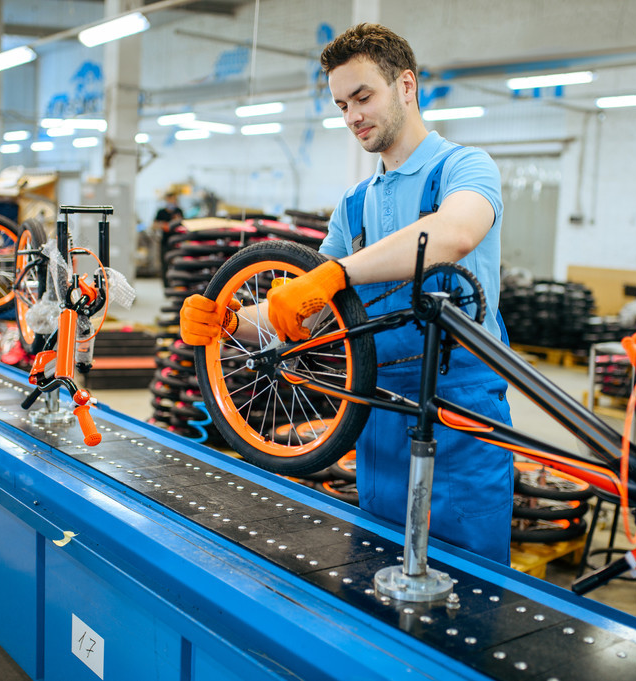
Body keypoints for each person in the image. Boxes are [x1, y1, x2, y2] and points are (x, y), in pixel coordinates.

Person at [180, 23, 513, 565]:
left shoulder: (464, 167)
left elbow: (453, 234)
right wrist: (232, 323)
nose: (353, 116)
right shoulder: (354, 206)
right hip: (374, 402)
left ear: (406, 86)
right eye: (341, 105)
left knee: (468, 574)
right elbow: (303, 310)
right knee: (378, 560)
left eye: (364, 96)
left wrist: (337, 275)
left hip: (460, 402)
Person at [152, 191, 184, 284]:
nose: (171, 201)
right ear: (166, 200)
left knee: (176, 263)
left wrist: (177, 221)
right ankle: (166, 285)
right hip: (165, 242)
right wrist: (163, 225)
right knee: (165, 264)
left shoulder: (178, 211)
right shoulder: (161, 212)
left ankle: (176, 284)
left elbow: (183, 224)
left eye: (173, 199)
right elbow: (154, 225)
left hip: (177, 243)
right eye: (169, 199)